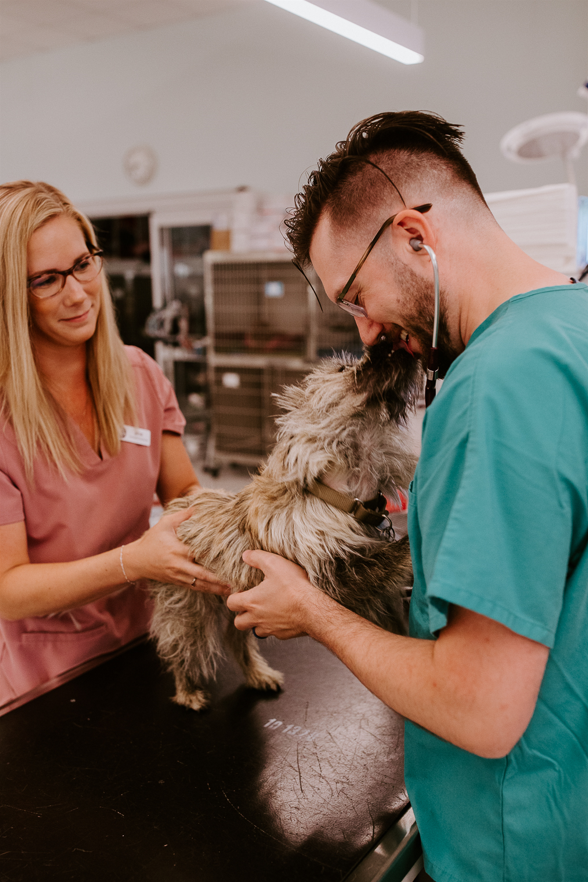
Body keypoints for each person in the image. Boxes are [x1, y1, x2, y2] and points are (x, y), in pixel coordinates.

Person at [227, 112, 588, 881]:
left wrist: (311, 612)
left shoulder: (494, 386)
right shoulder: (572, 326)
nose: (365, 333)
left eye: (357, 297)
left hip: (514, 843)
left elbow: (480, 711)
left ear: (413, 235)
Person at [0, 180, 228, 709]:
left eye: (83, 264)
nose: (79, 294)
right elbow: (8, 589)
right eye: (46, 280)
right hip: (52, 682)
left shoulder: (141, 375)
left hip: (150, 644)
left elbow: (184, 492)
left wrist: (246, 521)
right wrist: (134, 561)